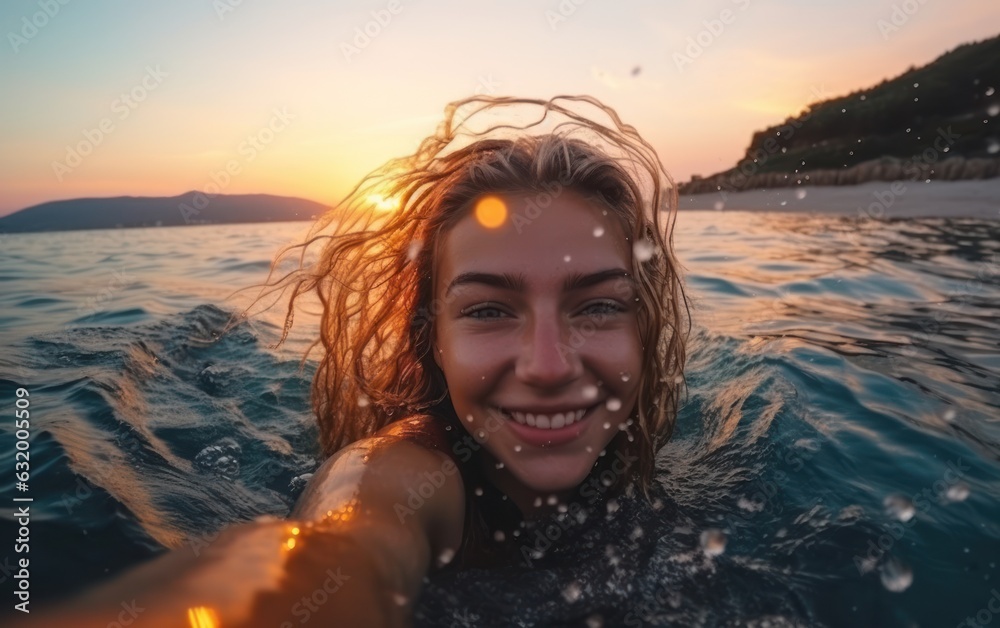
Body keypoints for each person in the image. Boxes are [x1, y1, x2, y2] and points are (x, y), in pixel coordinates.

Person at [22, 95, 688, 627]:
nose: (547, 365)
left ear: (643, 325)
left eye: (598, 306)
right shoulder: (406, 472)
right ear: (433, 340)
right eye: (488, 310)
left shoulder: (661, 468)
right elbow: (348, 541)